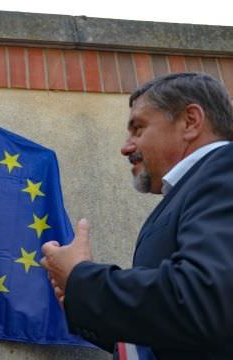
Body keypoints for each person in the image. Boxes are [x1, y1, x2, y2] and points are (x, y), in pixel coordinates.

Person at [41, 72, 233, 359]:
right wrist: (83, 297)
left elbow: (203, 299)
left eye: (138, 128)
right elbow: (179, 330)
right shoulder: (192, 189)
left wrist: (84, 280)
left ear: (190, 121)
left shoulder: (224, 168)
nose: (125, 147)